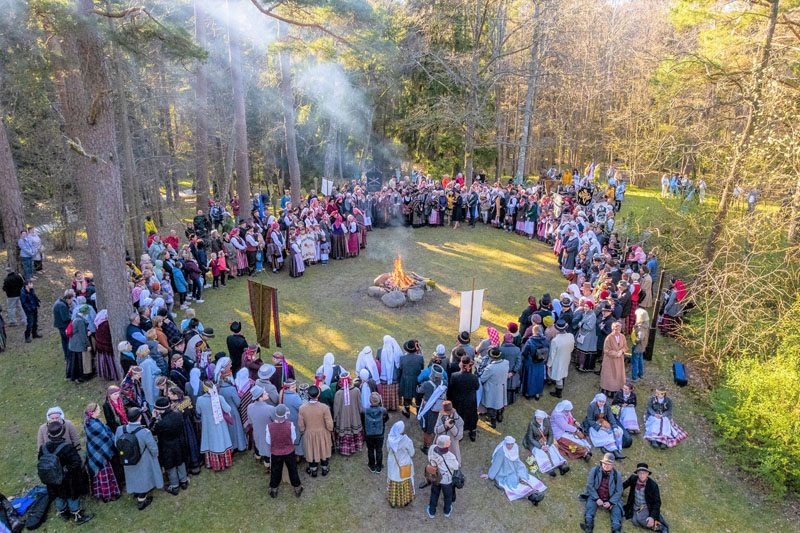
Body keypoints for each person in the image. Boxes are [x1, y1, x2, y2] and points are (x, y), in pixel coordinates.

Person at [38, 419, 94, 524]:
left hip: (51, 478)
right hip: (67, 479)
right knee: (71, 496)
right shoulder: (67, 447)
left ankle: (63, 513)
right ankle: (76, 515)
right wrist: (65, 470)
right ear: (62, 432)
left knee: (57, 496)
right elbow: (76, 462)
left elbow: (40, 461)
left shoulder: (43, 448)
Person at [114, 407, 163, 511]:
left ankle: (135, 491)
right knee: (143, 477)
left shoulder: (120, 429)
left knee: (133, 476)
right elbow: (153, 448)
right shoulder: (144, 432)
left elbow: (116, 443)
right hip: (143, 459)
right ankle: (142, 500)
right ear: (140, 417)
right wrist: (155, 455)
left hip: (127, 459)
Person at [487, 435, 546, 505]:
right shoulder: (501, 452)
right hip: (505, 471)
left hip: (515, 467)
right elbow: (496, 465)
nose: (510, 446)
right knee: (514, 482)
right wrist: (490, 475)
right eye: (508, 444)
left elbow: (516, 459)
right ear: (505, 444)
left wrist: (520, 467)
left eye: (511, 444)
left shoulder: (515, 447)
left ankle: (534, 493)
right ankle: (531, 495)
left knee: (523, 475)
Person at [83, 402, 121, 503]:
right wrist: (114, 442)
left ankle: (102, 493)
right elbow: (106, 438)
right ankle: (108, 494)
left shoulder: (88, 421)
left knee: (100, 475)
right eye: (99, 409)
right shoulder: (95, 425)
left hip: (95, 452)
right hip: (100, 454)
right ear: (94, 411)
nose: (100, 410)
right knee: (104, 475)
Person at [152, 397, 189, 496]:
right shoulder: (178, 414)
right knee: (180, 461)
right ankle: (184, 480)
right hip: (179, 441)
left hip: (167, 445)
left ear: (160, 410)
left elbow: (152, 431)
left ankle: (174, 485)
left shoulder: (161, 423)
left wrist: (153, 418)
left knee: (170, 465)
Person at [580, 453, 624, 533]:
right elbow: (590, 486)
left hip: (610, 498)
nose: (606, 465)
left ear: (612, 465)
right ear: (602, 463)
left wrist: (610, 502)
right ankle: (588, 525)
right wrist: (597, 498)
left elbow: (619, 491)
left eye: (609, 464)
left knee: (616, 509)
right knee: (590, 504)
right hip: (596, 495)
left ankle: (616, 529)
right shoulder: (595, 470)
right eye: (604, 463)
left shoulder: (617, 475)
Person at [266, 404, 303, 498]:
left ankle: (273, 489)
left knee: (275, 470)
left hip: (275, 452)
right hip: (289, 451)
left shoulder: (269, 426)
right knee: (292, 469)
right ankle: (297, 488)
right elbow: (293, 438)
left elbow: (268, 441)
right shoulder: (290, 425)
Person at [196, 381, 234, 471]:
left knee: (210, 443)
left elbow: (198, 411)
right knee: (222, 442)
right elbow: (228, 409)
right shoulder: (219, 398)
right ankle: (225, 462)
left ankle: (213, 464)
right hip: (220, 424)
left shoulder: (200, 399)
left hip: (207, 425)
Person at [298, 385, 334, 477]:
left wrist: (303, 431)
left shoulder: (302, 408)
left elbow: (301, 424)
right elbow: (329, 424)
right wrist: (329, 430)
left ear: (308, 395)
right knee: (323, 450)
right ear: (318, 395)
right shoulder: (324, 407)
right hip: (322, 432)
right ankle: (324, 468)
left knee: (311, 451)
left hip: (309, 433)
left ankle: (313, 470)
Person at [623, 463, 669, 532]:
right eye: (640, 473)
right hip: (636, 506)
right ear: (637, 474)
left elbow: (657, 502)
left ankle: (659, 526)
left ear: (647, 474)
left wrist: (652, 517)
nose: (641, 475)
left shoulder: (653, 485)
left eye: (644, 473)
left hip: (647, 506)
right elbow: (623, 486)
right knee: (634, 522)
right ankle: (648, 522)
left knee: (640, 518)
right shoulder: (633, 479)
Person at [523, 409, 569, 477]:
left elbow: (550, 434)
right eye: (538, 419)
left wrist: (548, 444)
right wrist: (540, 446)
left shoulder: (546, 421)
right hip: (535, 442)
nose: (539, 421)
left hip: (545, 440)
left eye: (541, 419)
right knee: (540, 453)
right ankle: (548, 469)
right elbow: (530, 438)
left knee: (552, 450)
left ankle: (560, 465)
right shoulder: (531, 424)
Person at [583, 393, 626, 460]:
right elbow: (590, 420)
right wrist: (599, 427)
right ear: (597, 400)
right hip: (594, 424)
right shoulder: (591, 406)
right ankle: (614, 451)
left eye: (603, 402)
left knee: (619, 430)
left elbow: (610, 416)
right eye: (600, 401)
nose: (601, 403)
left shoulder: (607, 405)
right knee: (603, 433)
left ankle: (616, 448)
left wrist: (614, 428)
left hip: (603, 421)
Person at [644, 385, 688, 449]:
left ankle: (663, 441)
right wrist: (654, 414)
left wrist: (663, 415)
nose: (657, 395)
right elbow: (649, 407)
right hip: (654, 415)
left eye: (658, 394)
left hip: (663, 415)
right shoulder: (652, 398)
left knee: (665, 422)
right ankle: (653, 440)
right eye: (656, 393)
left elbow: (669, 410)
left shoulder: (668, 400)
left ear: (663, 394)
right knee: (655, 422)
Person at [425, 435, 459, 519]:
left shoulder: (432, 449)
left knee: (434, 493)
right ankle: (447, 511)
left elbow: (429, 458)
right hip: (446, 480)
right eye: (449, 441)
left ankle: (432, 512)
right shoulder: (450, 456)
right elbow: (456, 467)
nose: (450, 442)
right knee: (448, 496)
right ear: (446, 445)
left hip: (435, 477)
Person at [447, 355, 479, 442]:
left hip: (457, 400)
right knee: (471, 416)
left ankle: (459, 434)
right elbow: (477, 387)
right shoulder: (474, 377)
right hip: (470, 400)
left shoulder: (454, 376)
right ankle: (472, 432)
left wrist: (449, 399)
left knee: (458, 417)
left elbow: (450, 389)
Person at [417, 363, 446, 453]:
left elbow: (419, 391)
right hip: (439, 408)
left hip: (428, 409)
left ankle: (427, 446)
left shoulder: (427, 384)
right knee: (437, 426)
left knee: (427, 429)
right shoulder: (444, 383)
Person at [333, 371, 364, 455]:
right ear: (350, 380)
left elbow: (336, 409)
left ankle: (345, 449)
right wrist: (360, 413)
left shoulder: (338, 393)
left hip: (343, 418)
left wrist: (335, 418)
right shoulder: (356, 390)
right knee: (354, 429)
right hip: (354, 416)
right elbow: (360, 405)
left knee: (345, 430)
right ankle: (356, 446)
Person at [386, 420, 415, 507]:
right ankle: (405, 500)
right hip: (404, 465)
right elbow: (412, 453)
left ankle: (393, 501)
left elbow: (388, 450)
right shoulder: (407, 441)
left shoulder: (390, 439)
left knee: (393, 482)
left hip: (393, 464)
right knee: (404, 482)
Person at [479, 347, 509, 428]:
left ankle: (492, 422)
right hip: (502, 386)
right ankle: (500, 416)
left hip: (492, 389)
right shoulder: (506, 362)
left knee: (491, 405)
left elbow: (482, 379)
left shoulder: (491, 368)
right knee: (500, 402)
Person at [247, 385, 275, 468]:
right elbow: (275, 421)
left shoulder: (249, 407)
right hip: (268, 434)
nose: (267, 393)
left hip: (257, 432)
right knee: (267, 451)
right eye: (264, 393)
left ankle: (257, 457)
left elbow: (250, 421)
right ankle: (267, 466)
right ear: (260, 397)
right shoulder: (270, 408)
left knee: (257, 444)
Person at [547, 319, 574, 398]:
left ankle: (558, 393)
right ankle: (561, 386)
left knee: (558, 375)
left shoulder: (555, 341)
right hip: (566, 357)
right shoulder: (571, 336)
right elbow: (572, 348)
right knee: (563, 372)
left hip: (557, 360)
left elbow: (552, 354)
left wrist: (549, 364)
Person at [520, 325, 549, 400]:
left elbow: (524, 352)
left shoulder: (530, 341)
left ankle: (528, 393)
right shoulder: (545, 340)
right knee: (539, 378)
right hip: (540, 361)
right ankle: (537, 394)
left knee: (530, 378)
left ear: (534, 332)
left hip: (531, 362)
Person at [397, 339, 425, 418]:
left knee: (406, 397)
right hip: (416, 380)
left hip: (406, 380)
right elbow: (422, 367)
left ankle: (407, 412)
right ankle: (418, 413)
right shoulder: (420, 358)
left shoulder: (402, 358)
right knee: (418, 398)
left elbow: (401, 368)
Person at [363, 391, 389, 473]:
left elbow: (363, 421)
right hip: (379, 433)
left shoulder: (364, 411)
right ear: (379, 401)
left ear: (370, 401)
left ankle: (372, 465)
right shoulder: (383, 410)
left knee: (370, 450)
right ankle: (379, 466)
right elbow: (386, 419)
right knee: (379, 449)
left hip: (369, 433)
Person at [601, 321, 627, 396]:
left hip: (619, 361)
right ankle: (607, 390)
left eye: (619, 326)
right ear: (612, 328)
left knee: (618, 375)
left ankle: (617, 390)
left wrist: (621, 351)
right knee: (609, 375)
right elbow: (606, 350)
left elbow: (625, 347)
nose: (617, 328)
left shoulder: (622, 337)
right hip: (610, 360)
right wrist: (616, 354)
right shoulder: (609, 338)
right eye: (615, 327)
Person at [434, 401, 463, 465]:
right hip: (441, 445)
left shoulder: (459, 421)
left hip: (452, 447)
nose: (446, 415)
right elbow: (436, 430)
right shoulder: (440, 416)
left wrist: (452, 427)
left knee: (452, 464)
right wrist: (444, 426)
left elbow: (459, 436)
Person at [53, 289, 75, 366]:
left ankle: (67, 356)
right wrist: (73, 317)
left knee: (64, 341)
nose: (71, 302)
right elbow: (65, 318)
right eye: (71, 300)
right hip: (63, 326)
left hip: (59, 325)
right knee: (67, 341)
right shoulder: (62, 306)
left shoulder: (59, 302)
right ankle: (69, 356)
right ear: (68, 299)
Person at [499, 333, 522, 404]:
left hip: (503, 371)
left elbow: (499, 361)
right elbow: (519, 362)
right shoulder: (517, 349)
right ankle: (511, 400)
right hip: (513, 372)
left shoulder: (501, 349)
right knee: (512, 386)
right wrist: (513, 372)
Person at [19, 279, 41, 343]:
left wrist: (37, 301)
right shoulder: (23, 293)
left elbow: (34, 297)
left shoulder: (31, 290)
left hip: (34, 308)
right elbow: (24, 303)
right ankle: (27, 336)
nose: (32, 284)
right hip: (29, 310)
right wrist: (29, 309)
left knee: (35, 322)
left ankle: (34, 334)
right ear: (26, 285)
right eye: (30, 283)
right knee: (30, 323)